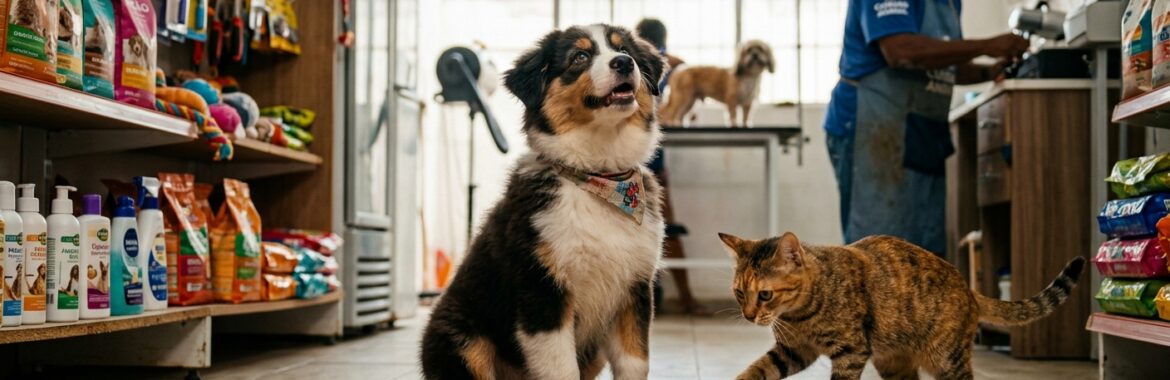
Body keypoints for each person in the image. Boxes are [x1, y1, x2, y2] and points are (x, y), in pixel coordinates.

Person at [823, 0, 1028, 255]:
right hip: (874, 126)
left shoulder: (949, 3)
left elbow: (945, 62)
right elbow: (900, 50)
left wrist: (988, 72)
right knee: (877, 251)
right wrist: (987, 46)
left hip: (922, 133)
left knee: (922, 251)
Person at [636, 18, 706, 315]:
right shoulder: (676, 65)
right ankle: (687, 298)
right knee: (666, 223)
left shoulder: (632, 62)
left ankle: (636, 300)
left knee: (628, 225)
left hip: (628, 154)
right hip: (651, 157)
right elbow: (691, 109)